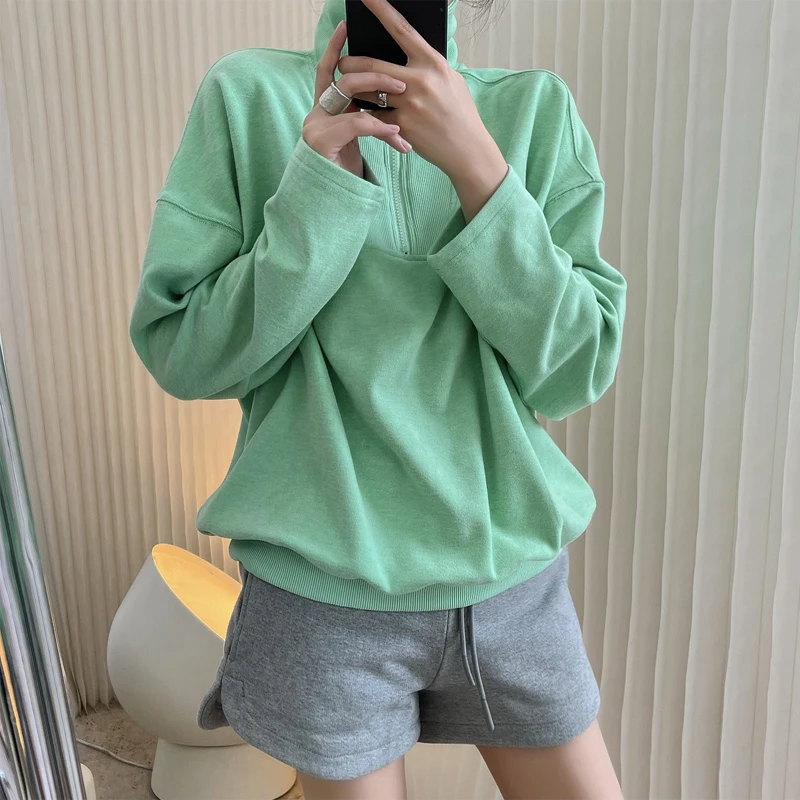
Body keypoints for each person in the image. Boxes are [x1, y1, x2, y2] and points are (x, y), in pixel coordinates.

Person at [129, 0, 627, 796]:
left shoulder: (533, 111)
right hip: (321, 598)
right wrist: (318, 191)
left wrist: (479, 168)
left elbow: (575, 370)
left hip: (512, 588)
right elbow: (183, 353)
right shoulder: (246, 97)